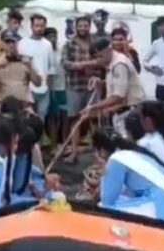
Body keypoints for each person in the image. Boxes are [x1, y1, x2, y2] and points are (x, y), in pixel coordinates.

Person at [90, 128, 164, 222]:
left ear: (101, 151)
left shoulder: (116, 159)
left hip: (159, 207)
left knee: (101, 209)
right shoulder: (134, 154)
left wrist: (105, 170)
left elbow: (107, 201)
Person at [85, 37, 146, 137]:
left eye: (99, 57)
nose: (98, 61)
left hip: (128, 112)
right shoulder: (112, 62)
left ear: (108, 50)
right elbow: (118, 82)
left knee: (127, 145)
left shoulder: (119, 64)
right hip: (121, 111)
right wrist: (102, 83)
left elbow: (118, 96)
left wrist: (94, 107)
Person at [61, 15, 96, 161]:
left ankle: (97, 154)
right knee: (74, 120)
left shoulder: (95, 43)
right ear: (76, 27)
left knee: (93, 120)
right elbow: (64, 62)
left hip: (92, 86)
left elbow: (102, 61)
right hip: (75, 86)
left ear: (89, 26)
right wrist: (79, 66)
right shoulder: (69, 44)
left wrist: (91, 67)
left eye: (85, 25)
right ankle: (74, 152)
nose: (83, 28)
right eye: (80, 25)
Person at [17, 14, 56, 123]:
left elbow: (51, 68)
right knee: (27, 117)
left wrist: (50, 88)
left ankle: (39, 139)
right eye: (36, 25)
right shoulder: (22, 44)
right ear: (31, 26)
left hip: (44, 89)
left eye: (42, 26)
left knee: (41, 118)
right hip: (27, 88)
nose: (39, 28)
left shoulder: (48, 45)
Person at [0, 31, 41, 109]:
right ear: (2, 43)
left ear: (17, 43)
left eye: (13, 41)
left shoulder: (26, 60)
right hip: (3, 105)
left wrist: (30, 67)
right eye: (7, 42)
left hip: (24, 104)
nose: (11, 45)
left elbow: (38, 83)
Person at [44, 26, 67, 148]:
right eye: (49, 36)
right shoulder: (44, 51)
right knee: (52, 117)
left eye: (54, 35)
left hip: (62, 87)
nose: (52, 38)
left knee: (65, 116)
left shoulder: (61, 50)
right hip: (50, 88)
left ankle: (64, 143)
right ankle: (53, 145)